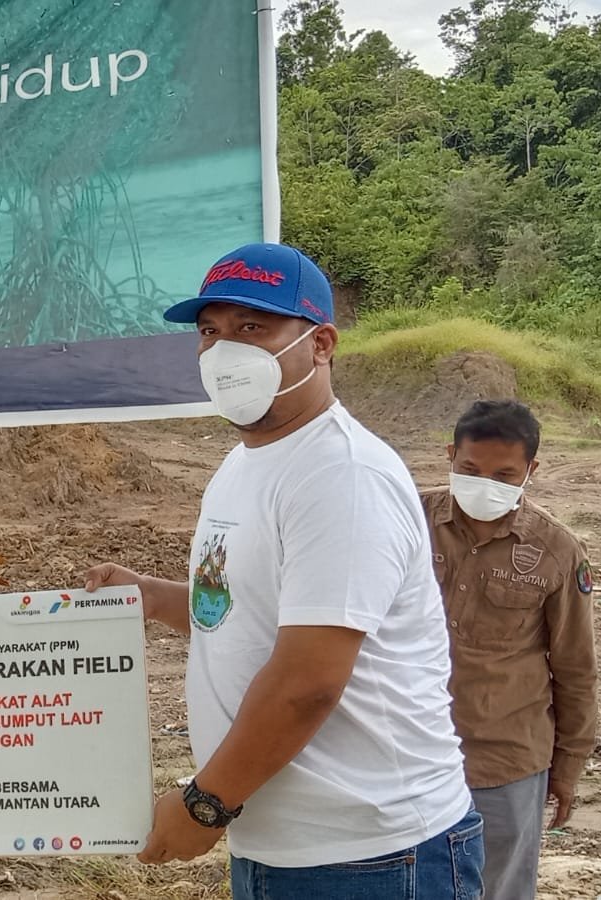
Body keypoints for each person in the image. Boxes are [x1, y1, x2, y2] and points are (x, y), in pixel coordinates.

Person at [84, 244, 483, 899]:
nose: (224, 351)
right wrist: (154, 598)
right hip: (285, 845)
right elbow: (249, 613)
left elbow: (307, 681)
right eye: (210, 331)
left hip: (374, 856)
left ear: (320, 343)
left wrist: (204, 805)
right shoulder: (245, 463)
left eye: (252, 328)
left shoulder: (341, 475)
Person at [423, 399, 596, 899]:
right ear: (450, 455)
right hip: (407, 753)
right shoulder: (407, 518)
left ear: (530, 471)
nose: (485, 485)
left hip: (504, 763)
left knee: (497, 888)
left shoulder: (556, 550)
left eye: (504, 475)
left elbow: (576, 668)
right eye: (470, 470)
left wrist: (567, 768)